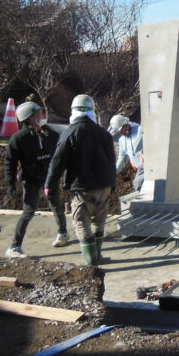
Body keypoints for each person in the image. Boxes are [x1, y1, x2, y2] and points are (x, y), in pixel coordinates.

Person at [44, 94, 116, 266]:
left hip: (82, 188)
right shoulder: (104, 134)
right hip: (104, 186)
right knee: (99, 222)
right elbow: (111, 161)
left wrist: (49, 184)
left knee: (81, 223)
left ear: (73, 111)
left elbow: (57, 161)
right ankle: (98, 256)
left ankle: (91, 261)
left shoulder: (70, 132)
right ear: (92, 112)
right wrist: (112, 184)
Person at [3, 101, 69, 258]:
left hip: (49, 178)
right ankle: (14, 247)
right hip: (31, 179)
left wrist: (62, 174)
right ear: (30, 119)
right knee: (28, 211)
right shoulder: (19, 139)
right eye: (39, 113)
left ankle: (63, 233)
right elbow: (9, 162)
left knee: (56, 205)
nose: (43, 115)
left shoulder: (50, 134)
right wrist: (10, 184)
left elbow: (59, 156)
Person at [108, 114, 144, 192]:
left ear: (126, 124)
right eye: (118, 130)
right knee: (138, 186)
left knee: (138, 184)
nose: (120, 132)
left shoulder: (140, 130)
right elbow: (122, 158)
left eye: (121, 129)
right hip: (139, 169)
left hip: (147, 166)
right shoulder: (122, 141)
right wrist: (113, 172)